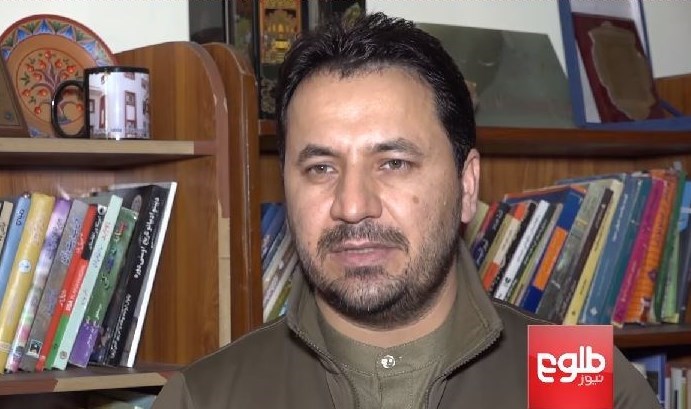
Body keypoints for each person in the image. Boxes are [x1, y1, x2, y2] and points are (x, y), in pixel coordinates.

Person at [153, 12, 660, 408]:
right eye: (321, 168)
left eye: (393, 163)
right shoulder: (204, 399)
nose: (353, 206)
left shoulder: (586, 382)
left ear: (467, 184)